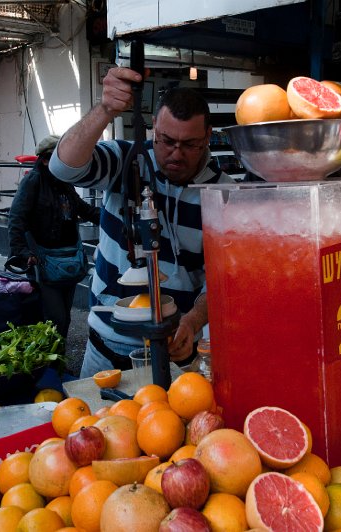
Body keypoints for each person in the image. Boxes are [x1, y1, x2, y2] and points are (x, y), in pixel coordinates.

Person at [49, 68, 234, 377]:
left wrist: (193, 321)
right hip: (105, 347)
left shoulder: (222, 194)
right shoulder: (126, 160)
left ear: (208, 136)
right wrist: (105, 110)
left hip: (174, 347)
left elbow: (220, 278)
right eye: (166, 141)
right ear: (152, 130)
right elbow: (62, 167)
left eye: (190, 144)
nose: (176, 154)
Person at [8, 135, 101, 338]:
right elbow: (16, 218)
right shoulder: (32, 182)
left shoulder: (64, 183)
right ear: (45, 160)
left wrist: (111, 217)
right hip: (43, 262)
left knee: (64, 318)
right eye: (60, 159)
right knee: (55, 318)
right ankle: (50, 364)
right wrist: (22, 252)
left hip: (68, 261)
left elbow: (82, 208)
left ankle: (56, 362)